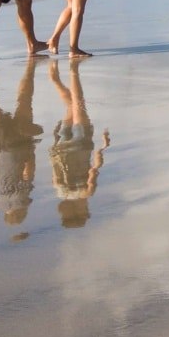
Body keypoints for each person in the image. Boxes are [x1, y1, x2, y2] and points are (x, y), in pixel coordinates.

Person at [0, 58, 43, 232]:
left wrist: (32, 149)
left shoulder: (21, 199)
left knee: (24, 102)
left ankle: (29, 71)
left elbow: (27, 171)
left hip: (17, 146)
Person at [48, 57, 109, 228]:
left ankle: (73, 72)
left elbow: (94, 167)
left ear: (78, 211)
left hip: (81, 143)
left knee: (78, 103)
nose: (87, 207)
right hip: (60, 146)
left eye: (85, 211)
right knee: (71, 107)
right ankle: (56, 80)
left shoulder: (86, 191)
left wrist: (103, 146)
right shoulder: (59, 191)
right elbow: (54, 170)